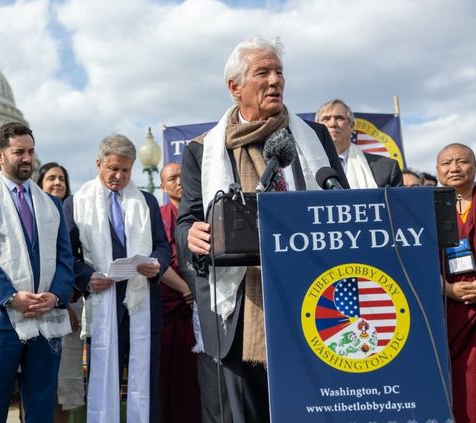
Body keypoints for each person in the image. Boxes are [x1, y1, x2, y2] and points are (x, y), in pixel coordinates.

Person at [177, 35, 348, 422]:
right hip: (240, 306)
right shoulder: (202, 151)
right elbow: (188, 219)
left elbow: (341, 202)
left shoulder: (315, 138)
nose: (275, 81)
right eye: (263, 73)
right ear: (235, 87)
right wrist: (190, 235)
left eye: (279, 72)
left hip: (314, 296)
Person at [0, 122, 74, 423]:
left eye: (31, 151)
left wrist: (55, 295)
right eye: (19, 152)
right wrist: (11, 297)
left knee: (40, 404)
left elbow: (66, 258)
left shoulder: (51, 203)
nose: (27, 158)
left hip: (46, 317)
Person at [65, 134, 171, 423]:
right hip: (102, 306)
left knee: (147, 383)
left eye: (126, 170)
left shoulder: (146, 201)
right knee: (102, 381)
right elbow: (67, 255)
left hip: (142, 306)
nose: (119, 176)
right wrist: (87, 277)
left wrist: (157, 265)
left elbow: (162, 245)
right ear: (99, 164)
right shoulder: (76, 203)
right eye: (113, 169)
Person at [37, 162, 84, 422]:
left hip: (69, 312)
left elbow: (73, 263)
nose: (57, 183)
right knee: (37, 383)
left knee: (64, 384)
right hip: (34, 308)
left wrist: (67, 302)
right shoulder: (30, 219)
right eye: (51, 178)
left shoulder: (75, 217)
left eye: (62, 179)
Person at [157, 162, 203, 423]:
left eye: (182, 176)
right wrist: (186, 289)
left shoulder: (202, 212)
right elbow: (160, 260)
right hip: (172, 306)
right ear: (163, 186)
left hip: (201, 304)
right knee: (168, 377)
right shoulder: (161, 215)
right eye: (172, 178)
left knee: (194, 380)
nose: (179, 182)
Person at [436, 143, 476, 423]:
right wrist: (446, 289)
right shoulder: (427, 208)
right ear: (437, 171)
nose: (454, 168)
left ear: (474, 166)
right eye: (447, 163)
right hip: (449, 315)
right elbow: (415, 259)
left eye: (462, 161)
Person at [315, 99, 402, 188]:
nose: (332, 124)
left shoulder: (387, 168)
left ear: (352, 126)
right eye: (326, 119)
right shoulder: (303, 168)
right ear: (317, 127)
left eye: (339, 118)